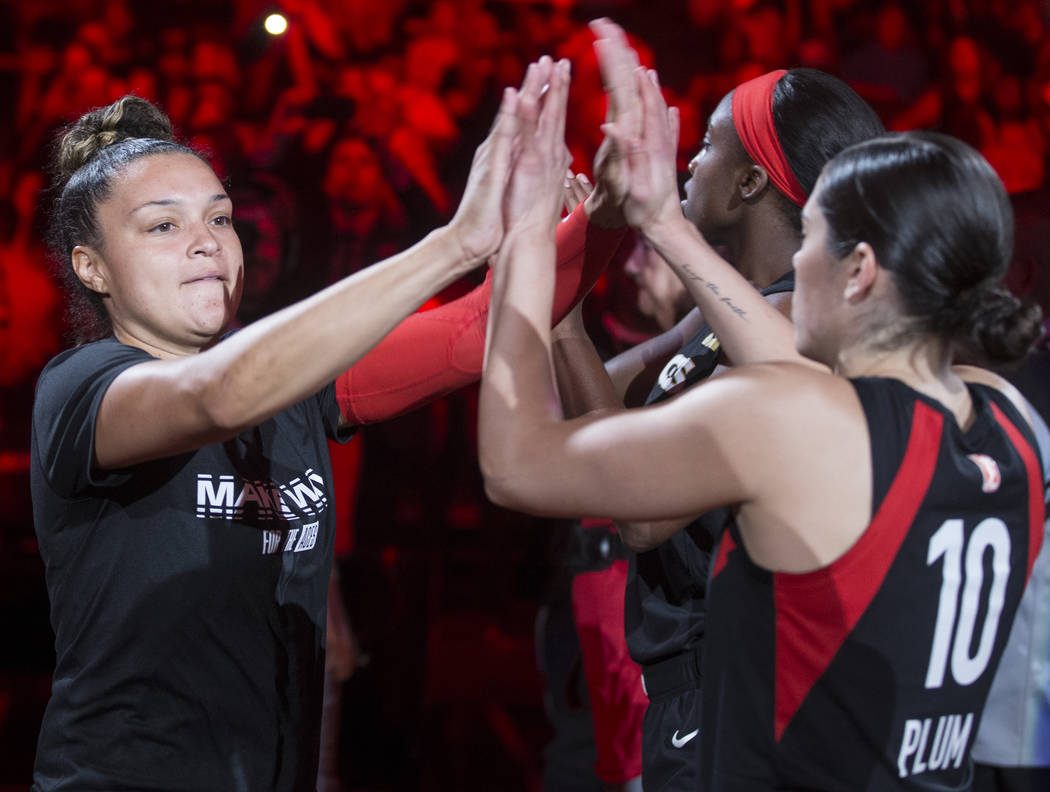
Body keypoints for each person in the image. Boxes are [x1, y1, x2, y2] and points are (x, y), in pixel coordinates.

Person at [29, 57, 618, 791]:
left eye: (219, 217)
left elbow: (479, 327)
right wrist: (454, 243)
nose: (207, 240)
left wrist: (621, 212)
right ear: (92, 269)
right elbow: (215, 395)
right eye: (163, 226)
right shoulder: (82, 390)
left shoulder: (294, 382)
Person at [478, 39, 1045, 791]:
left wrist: (524, 243)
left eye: (813, 238)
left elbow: (519, 464)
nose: (795, 263)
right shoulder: (1010, 420)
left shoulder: (799, 418)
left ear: (860, 269)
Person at [547, 19, 885, 790]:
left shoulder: (803, 329)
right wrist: (569, 252)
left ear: (750, 182)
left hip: (740, 689)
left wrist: (559, 313)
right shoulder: (725, 313)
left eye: (705, 145)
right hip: (686, 690)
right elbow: (600, 406)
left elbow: (635, 505)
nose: (688, 163)